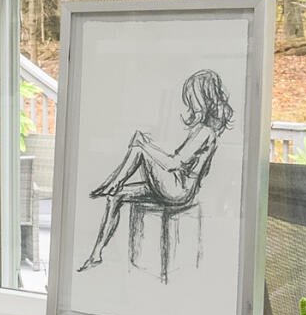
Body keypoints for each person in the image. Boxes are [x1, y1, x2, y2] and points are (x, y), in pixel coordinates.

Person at [78, 67, 233, 274]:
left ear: (204, 98)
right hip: (174, 184)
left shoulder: (206, 132)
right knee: (115, 197)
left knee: (140, 145)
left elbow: (173, 163)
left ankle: (114, 181)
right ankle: (96, 253)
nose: (190, 103)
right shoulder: (203, 130)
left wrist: (145, 145)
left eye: (193, 97)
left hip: (179, 190)